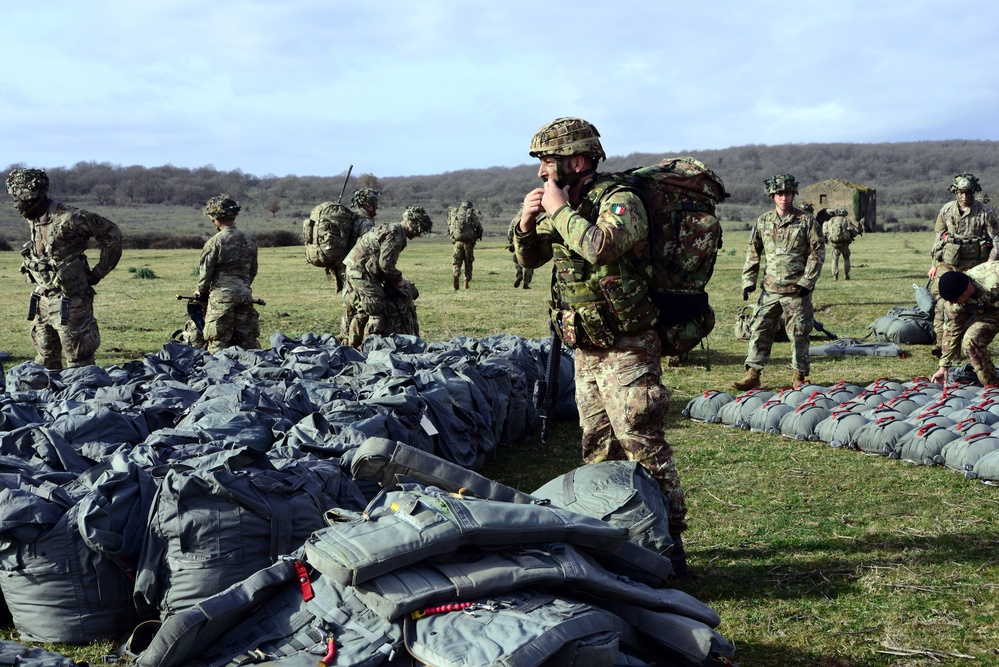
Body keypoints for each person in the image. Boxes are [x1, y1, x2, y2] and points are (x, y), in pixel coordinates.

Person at [511, 117, 688, 575]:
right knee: (596, 447)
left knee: (641, 443)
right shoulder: (568, 201)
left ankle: (671, 543)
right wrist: (529, 223)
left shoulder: (619, 200)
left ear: (578, 158)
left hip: (628, 345)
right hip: (586, 346)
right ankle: (610, 541)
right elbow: (530, 259)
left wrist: (558, 210)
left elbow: (599, 246)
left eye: (548, 161)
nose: (541, 172)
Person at [6, 168, 122, 369]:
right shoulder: (33, 217)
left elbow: (112, 234)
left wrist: (99, 272)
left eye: (19, 199)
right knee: (45, 359)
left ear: (32, 198)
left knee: (79, 360)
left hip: (71, 301)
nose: (16, 205)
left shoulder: (70, 218)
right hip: (43, 298)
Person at [733, 173, 825, 390]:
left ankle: (799, 377)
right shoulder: (763, 221)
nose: (784, 198)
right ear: (772, 195)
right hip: (770, 290)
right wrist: (748, 280)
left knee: (800, 334)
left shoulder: (806, 221)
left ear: (794, 194)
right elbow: (753, 251)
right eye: (780, 194)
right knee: (760, 331)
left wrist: (807, 281)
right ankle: (753, 374)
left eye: (788, 193)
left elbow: (817, 253)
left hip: (797, 290)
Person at [927, 173, 999, 356]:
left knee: (967, 303)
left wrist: (989, 264)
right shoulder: (946, 210)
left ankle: (963, 340)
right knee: (941, 300)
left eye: (968, 192)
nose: (964, 196)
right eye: (961, 192)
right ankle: (940, 341)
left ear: (973, 192)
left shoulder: (985, 212)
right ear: (955, 192)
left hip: (974, 265)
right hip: (948, 262)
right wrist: (934, 264)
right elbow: (938, 238)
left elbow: (996, 240)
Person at [341, 205, 433, 348]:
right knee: (375, 308)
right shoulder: (395, 234)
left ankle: (351, 345)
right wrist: (399, 280)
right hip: (361, 272)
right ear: (411, 224)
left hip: (356, 269)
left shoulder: (393, 229)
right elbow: (386, 265)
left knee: (363, 311)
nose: (418, 234)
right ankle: (367, 348)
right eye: (417, 230)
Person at [194, 194, 260, 353]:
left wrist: (200, 292)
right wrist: (242, 286)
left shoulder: (215, 241)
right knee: (249, 340)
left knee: (218, 341)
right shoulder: (249, 240)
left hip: (221, 297)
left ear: (216, 218)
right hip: (245, 294)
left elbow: (206, 272)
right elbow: (253, 269)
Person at [930, 266, 999, 387]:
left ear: (966, 290)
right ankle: (992, 386)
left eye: (954, 299)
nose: (951, 303)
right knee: (970, 341)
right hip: (991, 315)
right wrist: (944, 367)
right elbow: (952, 332)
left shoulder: (994, 277)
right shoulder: (954, 304)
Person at [447, 200, 483, 290]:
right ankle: (466, 283)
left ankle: (456, 273)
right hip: (468, 243)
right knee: (468, 262)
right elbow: (479, 227)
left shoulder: (455, 214)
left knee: (457, 261)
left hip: (457, 242)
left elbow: (450, 227)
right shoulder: (471, 214)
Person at [823, 207, 860, 280]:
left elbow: (825, 231)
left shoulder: (831, 221)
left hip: (834, 243)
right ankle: (846, 274)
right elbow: (853, 232)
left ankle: (835, 275)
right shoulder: (846, 221)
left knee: (834, 259)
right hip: (844, 243)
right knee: (846, 258)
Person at [506, 215, 533, 289]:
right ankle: (526, 283)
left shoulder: (515, 220)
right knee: (529, 264)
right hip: (529, 245)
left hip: (517, 244)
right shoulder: (532, 219)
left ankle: (519, 274)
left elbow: (510, 232)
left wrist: (510, 242)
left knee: (517, 262)